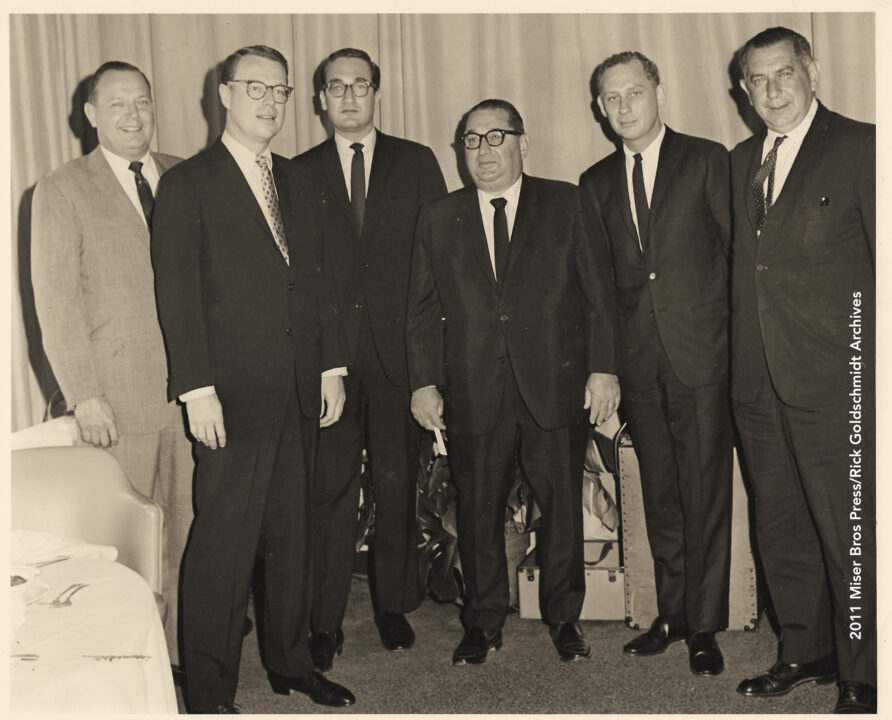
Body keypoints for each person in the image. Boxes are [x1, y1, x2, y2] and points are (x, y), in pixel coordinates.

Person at [151, 45, 354, 714]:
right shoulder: (188, 182)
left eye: (281, 91)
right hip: (229, 401)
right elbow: (177, 294)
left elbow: (318, 282)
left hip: (299, 390)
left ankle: (291, 665)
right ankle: (209, 692)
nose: (270, 102)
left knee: (292, 542)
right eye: (256, 89)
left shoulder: (298, 179)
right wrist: (196, 387)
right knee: (222, 553)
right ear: (225, 95)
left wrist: (329, 366)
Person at [406, 98, 619, 665]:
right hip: (475, 390)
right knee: (478, 511)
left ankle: (565, 617)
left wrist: (603, 369)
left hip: (554, 387)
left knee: (562, 511)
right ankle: (481, 622)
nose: (484, 151)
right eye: (471, 141)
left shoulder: (566, 202)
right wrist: (424, 382)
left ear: (523, 143)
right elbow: (423, 310)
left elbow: (599, 294)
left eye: (496, 137)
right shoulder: (439, 217)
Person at [731, 27, 875, 713]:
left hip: (837, 380)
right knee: (781, 525)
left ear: (811, 71)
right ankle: (804, 648)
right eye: (756, 81)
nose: (771, 91)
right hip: (758, 380)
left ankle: (865, 671)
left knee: (851, 529)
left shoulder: (862, 147)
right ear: (743, 91)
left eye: (783, 73)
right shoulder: (740, 163)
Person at [31, 60, 192, 667]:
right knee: (121, 543)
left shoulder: (185, 177)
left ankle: (176, 664)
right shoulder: (63, 187)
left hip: (193, 397)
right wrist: (85, 394)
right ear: (91, 115)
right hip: (117, 398)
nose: (134, 115)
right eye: (118, 104)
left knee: (188, 532)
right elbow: (57, 302)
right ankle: (122, 669)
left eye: (143, 102)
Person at [578, 51, 733, 677]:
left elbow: (731, 257)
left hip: (702, 358)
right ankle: (671, 614)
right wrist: (605, 367)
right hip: (639, 367)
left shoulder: (706, 159)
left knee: (706, 498)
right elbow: (597, 287)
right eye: (611, 99)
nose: (623, 107)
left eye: (633, 93)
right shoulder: (594, 183)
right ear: (600, 108)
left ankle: (705, 625)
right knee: (662, 498)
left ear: (658, 92)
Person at [292, 48, 447, 669]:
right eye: (337, 87)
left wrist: (430, 366)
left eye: (361, 85)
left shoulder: (416, 162)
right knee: (328, 492)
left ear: (376, 94)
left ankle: (392, 607)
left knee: (394, 485)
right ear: (320, 101)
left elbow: (436, 263)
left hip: (397, 361)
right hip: (328, 364)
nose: (349, 96)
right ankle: (324, 621)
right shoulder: (296, 171)